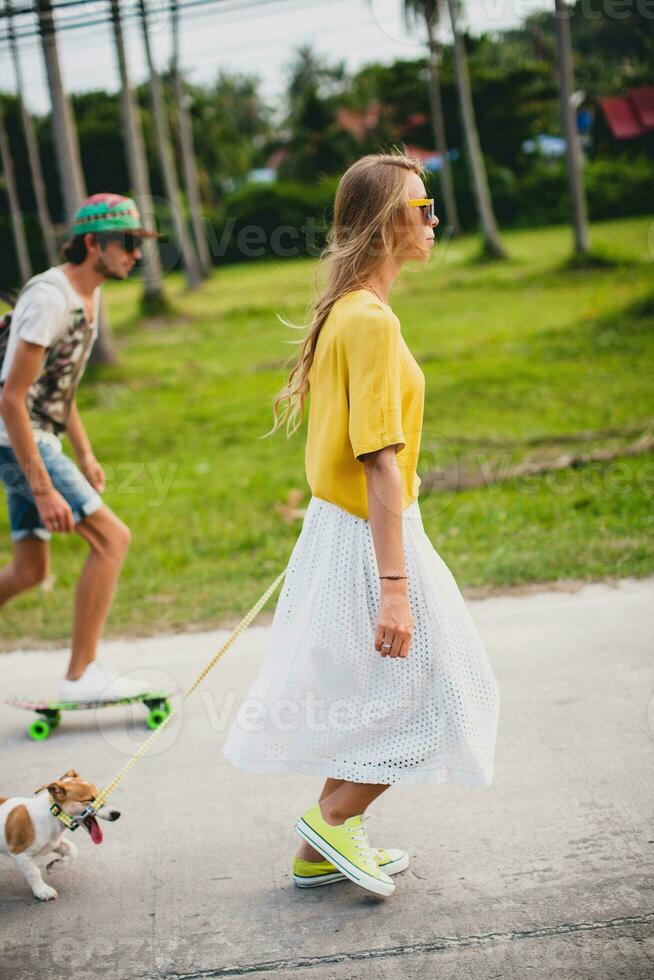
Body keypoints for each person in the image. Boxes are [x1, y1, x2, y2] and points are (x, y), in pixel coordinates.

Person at [222, 153, 501, 898]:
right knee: (442, 686)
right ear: (386, 223)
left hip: (351, 528)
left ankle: (322, 844)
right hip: (369, 534)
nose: (435, 220)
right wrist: (396, 589)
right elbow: (379, 461)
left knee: (387, 688)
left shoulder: (354, 309)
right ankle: (335, 818)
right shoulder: (368, 320)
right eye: (425, 206)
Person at [0, 193, 159, 703]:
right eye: (128, 243)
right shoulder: (52, 298)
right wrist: (44, 489)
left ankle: (82, 671)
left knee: (30, 570)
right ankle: (81, 674)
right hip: (18, 437)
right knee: (112, 539)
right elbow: (12, 397)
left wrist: (85, 453)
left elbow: (58, 389)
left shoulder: (87, 297)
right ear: (93, 244)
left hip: (33, 435)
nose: (136, 254)